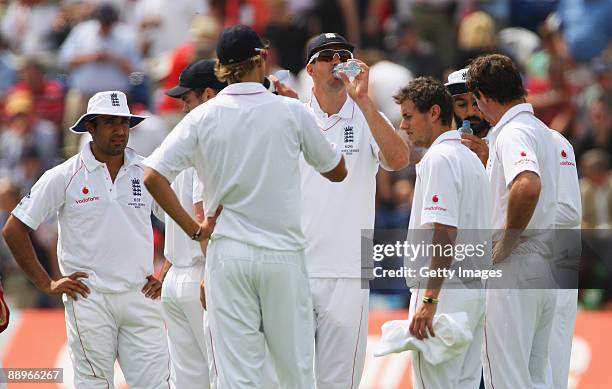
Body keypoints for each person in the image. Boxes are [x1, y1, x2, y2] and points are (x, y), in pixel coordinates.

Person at [142, 25, 347, 389]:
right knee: (296, 373)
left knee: (238, 377)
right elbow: (336, 171)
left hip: (229, 257)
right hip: (282, 254)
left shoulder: (202, 117)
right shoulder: (290, 111)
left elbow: (153, 176)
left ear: (222, 68)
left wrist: (195, 229)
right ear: (263, 58)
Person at [1, 90, 170, 389]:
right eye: (109, 122)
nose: (119, 130)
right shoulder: (64, 175)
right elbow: (14, 229)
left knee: (156, 385)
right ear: (90, 127)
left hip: (141, 296)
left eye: (124, 122)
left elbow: (180, 220)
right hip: (90, 299)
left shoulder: (146, 172)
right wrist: (46, 282)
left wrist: (166, 271)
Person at [301, 32, 409, 389]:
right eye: (327, 55)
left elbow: (398, 159)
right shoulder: (293, 117)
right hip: (294, 267)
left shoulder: (367, 115)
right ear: (311, 68)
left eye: (344, 54)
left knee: (339, 383)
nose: (337, 61)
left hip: (349, 268)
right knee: (289, 379)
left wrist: (363, 101)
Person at [466, 53, 559, 389]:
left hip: (513, 267)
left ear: (484, 97)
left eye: (476, 101)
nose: (477, 110)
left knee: (506, 380)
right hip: (545, 263)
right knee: (535, 380)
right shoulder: (541, 131)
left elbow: (527, 183)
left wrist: (506, 241)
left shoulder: (512, 132)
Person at [395, 77, 490, 389]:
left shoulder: (439, 158)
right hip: (473, 293)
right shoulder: (472, 159)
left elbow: (445, 230)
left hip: (443, 292)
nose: (403, 125)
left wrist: (431, 299)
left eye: (409, 116)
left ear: (434, 112)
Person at [159, 58, 226, 389]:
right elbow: (202, 213)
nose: (184, 108)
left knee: (188, 383)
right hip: (201, 274)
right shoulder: (208, 140)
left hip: (176, 280)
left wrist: (169, 262)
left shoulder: (182, 138)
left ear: (209, 95)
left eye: (187, 99)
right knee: (222, 377)